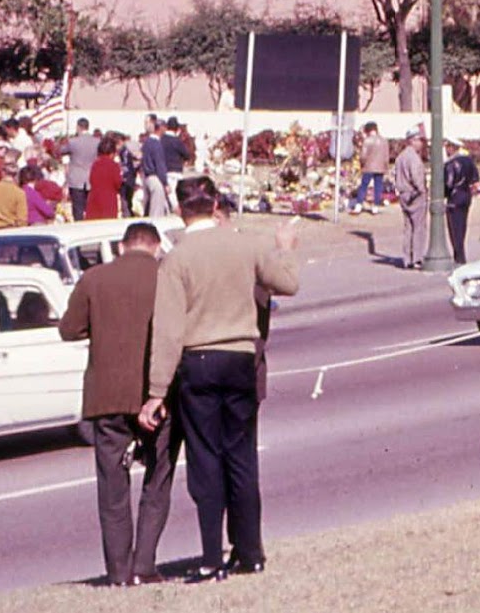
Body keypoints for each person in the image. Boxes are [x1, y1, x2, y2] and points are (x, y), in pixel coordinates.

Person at [144, 175, 301, 582]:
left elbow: (168, 330)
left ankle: (212, 556)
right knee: (242, 455)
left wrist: (156, 391)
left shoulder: (176, 259)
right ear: (215, 205)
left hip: (198, 360)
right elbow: (288, 283)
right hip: (240, 357)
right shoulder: (244, 244)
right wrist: (284, 251)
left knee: (205, 460)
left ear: (181, 209)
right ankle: (250, 551)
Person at [61, 220, 178, 586]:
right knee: (158, 479)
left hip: (106, 395)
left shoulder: (94, 278)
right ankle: (144, 564)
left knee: (112, 486)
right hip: (157, 396)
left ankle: (118, 573)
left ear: (123, 246)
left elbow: (69, 329)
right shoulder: (166, 278)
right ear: (156, 247)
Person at [389, 130, 435, 268]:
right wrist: (422, 190)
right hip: (415, 194)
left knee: (408, 227)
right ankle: (417, 258)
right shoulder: (413, 158)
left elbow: (394, 175)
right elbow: (416, 177)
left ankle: (407, 258)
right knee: (419, 227)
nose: (421, 143)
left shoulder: (400, 157)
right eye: (419, 140)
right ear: (412, 140)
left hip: (403, 193)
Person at [445, 139, 480, 265]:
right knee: (462, 226)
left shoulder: (450, 164)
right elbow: (475, 180)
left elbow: (448, 183)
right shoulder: (468, 161)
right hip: (466, 196)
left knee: (454, 229)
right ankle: (460, 255)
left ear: (451, 147)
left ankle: (459, 256)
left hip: (454, 198)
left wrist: (444, 194)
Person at [138, 117, 174, 218]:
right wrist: (165, 183)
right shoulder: (156, 143)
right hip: (155, 177)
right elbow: (160, 164)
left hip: (146, 177)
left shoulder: (147, 142)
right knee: (157, 210)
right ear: (161, 128)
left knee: (148, 206)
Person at [64, 119, 99, 220]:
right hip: (91, 178)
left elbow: (61, 150)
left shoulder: (73, 142)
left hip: (76, 178)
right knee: (91, 208)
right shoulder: (96, 142)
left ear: (78, 127)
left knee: (77, 208)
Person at [87, 135, 126, 221]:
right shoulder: (114, 165)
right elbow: (117, 183)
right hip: (109, 200)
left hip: (94, 198)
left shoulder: (95, 164)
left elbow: (91, 180)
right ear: (112, 152)